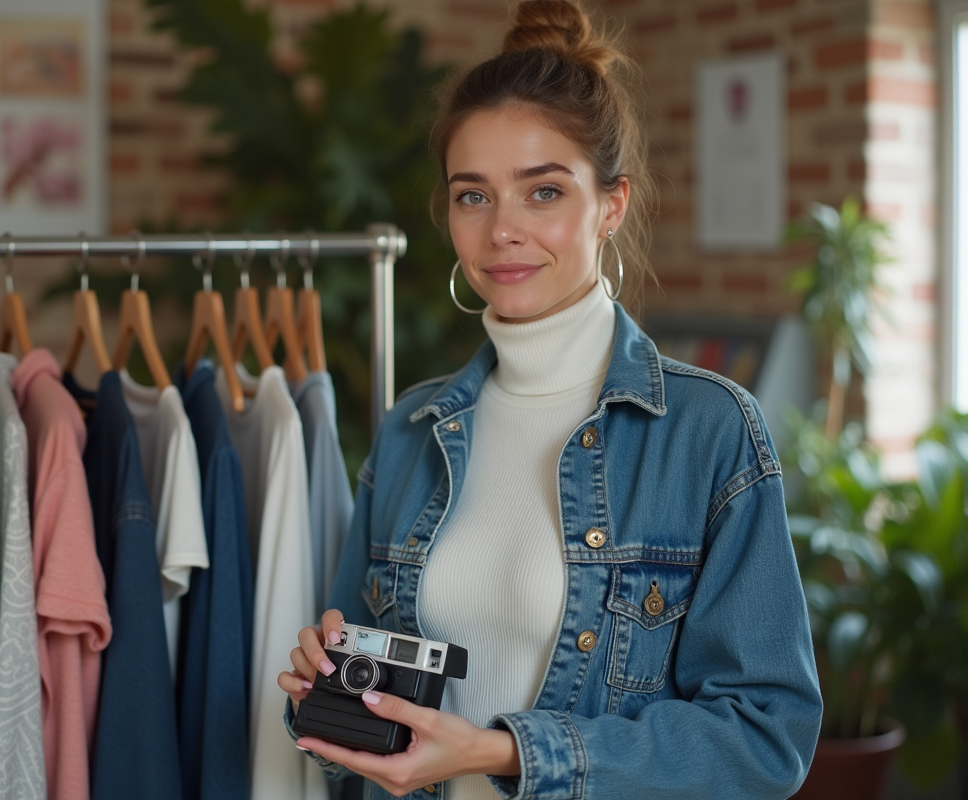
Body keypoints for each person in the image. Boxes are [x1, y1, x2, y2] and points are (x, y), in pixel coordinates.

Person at [278, 1, 822, 798]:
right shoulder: (410, 432)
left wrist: (502, 753)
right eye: (474, 196)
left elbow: (763, 739)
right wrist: (324, 695)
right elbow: (348, 737)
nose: (503, 230)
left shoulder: (709, 432)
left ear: (611, 205)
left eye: (543, 193)